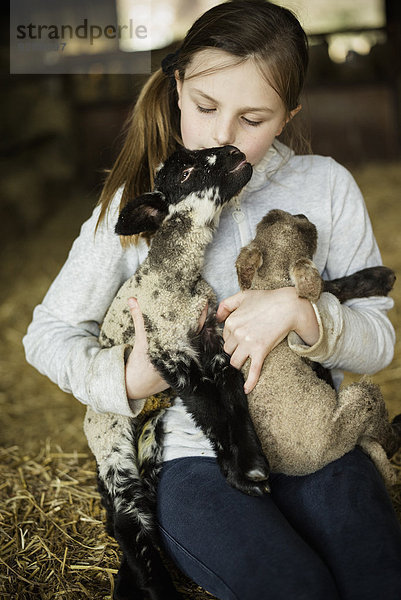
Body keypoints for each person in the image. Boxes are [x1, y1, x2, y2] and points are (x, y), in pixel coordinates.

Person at [23, 1, 401, 598]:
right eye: (205, 107)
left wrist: (305, 315)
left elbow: (378, 337)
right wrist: (128, 377)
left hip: (313, 437)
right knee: (295, 589)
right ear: (177, 88)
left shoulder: (327, 186)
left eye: (253, 119)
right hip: (195, 459)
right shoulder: (138, 206)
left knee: (379, 575)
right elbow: (47, 333)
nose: (222, 135)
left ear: (288, 117)